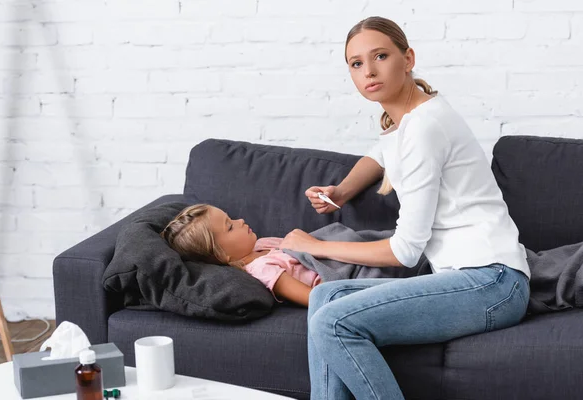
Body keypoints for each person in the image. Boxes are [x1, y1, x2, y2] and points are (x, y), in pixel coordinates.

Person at [278, 16, 531, 400]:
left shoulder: (424, 128)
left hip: (492, 282)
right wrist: (342, 192)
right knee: (323, 297)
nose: (369, 71)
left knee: (332, 322)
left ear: (408, 58)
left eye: (380, 56)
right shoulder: (416, 117)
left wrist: (313, 246)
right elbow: (382, 152)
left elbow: (404, 250)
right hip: (475, 278)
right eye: (356, 63)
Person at [160, 204, 323, 307]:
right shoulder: (262, 269)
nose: (241, 220)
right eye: (230, 226)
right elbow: (314, 299)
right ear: (222, 255)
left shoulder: (263, 243)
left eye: (230, 217)